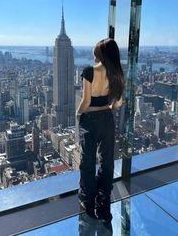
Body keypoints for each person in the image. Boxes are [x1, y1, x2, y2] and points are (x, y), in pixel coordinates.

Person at [76, 38, 124, 222]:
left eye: (95, 52)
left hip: (90, 121)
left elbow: (86, 102)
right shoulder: (117, 73)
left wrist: (77, 114)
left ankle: (88, 202)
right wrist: (107, 110)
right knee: (107, 162)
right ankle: (103, 204)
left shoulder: (89, 71)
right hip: (107, 120)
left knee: (87, 162)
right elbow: (117, 103)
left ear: (99, 55)